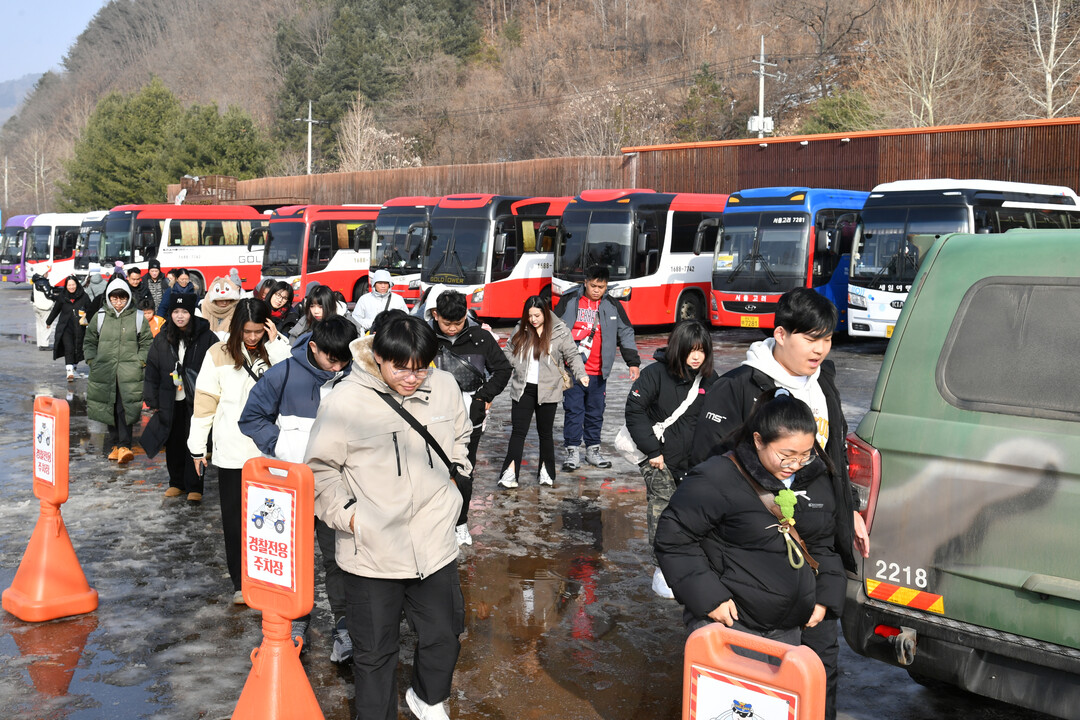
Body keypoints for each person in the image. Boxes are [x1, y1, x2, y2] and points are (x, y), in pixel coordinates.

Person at [688, 287, 870, 720]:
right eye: (811, 339)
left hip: (818, 554)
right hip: (757, 561)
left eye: (827, 339)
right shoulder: (737, 389)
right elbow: (703, 478)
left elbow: (834, 457)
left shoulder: (824, 384)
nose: (821, 349)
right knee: (759, 679)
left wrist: (850, 511)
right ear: (781, 334)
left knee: (820, 668)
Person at [306, 314, 471, 720]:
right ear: (378, 356)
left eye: (421, 368)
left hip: (433, 542)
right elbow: (319, 470)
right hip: (372, 551)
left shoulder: (445, 387)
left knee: (443, 635)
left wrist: (458, 471)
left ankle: (427, 697)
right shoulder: (345, 401)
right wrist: (351, 517)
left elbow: (462, 435)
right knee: (375, 652)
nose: (412, 378)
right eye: (401, 367)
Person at [655, 392, 847, 666]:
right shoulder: (717, 477)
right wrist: (710, 600)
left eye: (805, 455)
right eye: (786, 455)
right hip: (733, 625)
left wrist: (824, 598)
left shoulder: (814, 477)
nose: (795, 465)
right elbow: (674, 539)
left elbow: (822, 544)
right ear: (758, 440)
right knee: (734, 708)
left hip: (789, 631)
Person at [239, 315, 358, 661]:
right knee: (293, 556)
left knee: (338, 558)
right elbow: (251, 418)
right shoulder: (283, 374)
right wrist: (282, 446)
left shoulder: (356, 378)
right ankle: (294, 619)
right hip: (290, 487)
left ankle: (344, 625)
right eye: (331, 359)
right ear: (314, 347)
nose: (338, 367)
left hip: (337, 487)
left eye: (344, 360)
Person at [188, 298, 290, 603]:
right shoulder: (217, 354)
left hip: (270, 451)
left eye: (258, 330)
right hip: (232, 450)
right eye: (247, 331)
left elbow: (288, 385)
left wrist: (276, 345)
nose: (252, 337)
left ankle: (268, 578)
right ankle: (241, 584)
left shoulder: (277, 351)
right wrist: (197, 447)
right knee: (234, 522)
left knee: (270, 520)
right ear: (236, 328)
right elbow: (205, 403)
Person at [624, 320, 717, 597]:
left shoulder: (711, 380)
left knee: (695, 514)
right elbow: (634, 410)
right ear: (680, 349)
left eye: (702, 350)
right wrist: (653, 451)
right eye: (691, 350)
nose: (697, 356)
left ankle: (695, 563)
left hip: (695, 463)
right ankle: (662, 567)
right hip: (659, 461)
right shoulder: (655, 374)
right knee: (663, 511)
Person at [427, 289, 512, 544]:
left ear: (466, 315)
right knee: (431, 468)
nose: (452, 329)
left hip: (469, 417)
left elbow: (503, 369)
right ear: (435, 314)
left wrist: (483, 397)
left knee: (464, 469)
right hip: (431, 415)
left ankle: (461, 521)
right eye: (446, 323)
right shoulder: (424, 337)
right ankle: (435, 520)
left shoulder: (481, 337)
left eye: (458, 322)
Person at [553, 264, 640, 471]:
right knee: (574, 411)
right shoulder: (570, 300)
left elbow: (626, 332)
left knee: (595, 412)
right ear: (585, 282)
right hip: (573, 370)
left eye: (601, 287)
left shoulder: (612, 305)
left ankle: (593, 450)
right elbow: (553, 328)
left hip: (599, 372)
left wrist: (633, 362)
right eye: (593, 285)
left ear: (606, 286)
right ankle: (572, 451)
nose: (596, 290)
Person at [499, 296, 588, 489]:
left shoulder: (559, 331)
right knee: (518, 432)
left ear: (545, 313)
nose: (533, 319)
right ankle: (509, 474)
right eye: (529, 315)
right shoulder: (521, 329)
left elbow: (572, 354)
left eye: (537, 315)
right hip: (523, 388)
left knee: (545, 433)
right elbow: (507, 351)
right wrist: (515, 363)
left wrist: (581, 374)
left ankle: (546, 472)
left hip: (548, 389)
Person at [141, 293, 216, 501]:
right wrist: (153, 399)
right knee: (173, 442)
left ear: (191, 313)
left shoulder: (207, 337)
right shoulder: (162, 337)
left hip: (197, 400)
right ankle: (176, 482)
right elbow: (152, 370)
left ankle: (195, 486)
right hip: (170, 399)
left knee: (195, 441)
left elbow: (218, 364)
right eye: (176, 312)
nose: (180, 316)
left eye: (184, 312)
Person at [84, 278, 153, 464]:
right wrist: (92, 360)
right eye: (114, 298)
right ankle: (115, 444)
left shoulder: (137, 317)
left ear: (128, 298)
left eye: (122, 298)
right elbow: (89, 341)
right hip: (104, 371)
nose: (118, 302)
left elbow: (147, 342)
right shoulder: (100, 317)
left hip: (129, 372)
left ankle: (125, 445)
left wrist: (140, 361)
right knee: (109, 408)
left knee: (125, 409)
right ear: (109, 298)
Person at [46, 275, 92, 381]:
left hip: (80, 328)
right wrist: (49, 321)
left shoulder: (83, 296)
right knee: (69, 348)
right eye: (69, 285)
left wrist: (89, 319)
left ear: (77, 284)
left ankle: (74, 368)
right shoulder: (62, 297)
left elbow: (90, 310)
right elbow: (55, 310)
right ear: (66, 286)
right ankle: (69, 371)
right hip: (65, 327)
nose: (71, 287)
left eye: (73, 284)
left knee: (78, 348)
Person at [352, 269, 408, 333]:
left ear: (389, 284)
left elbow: (405, 318)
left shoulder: (398, 299)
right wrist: (372, 326)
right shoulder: (364, 299)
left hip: (392, 336)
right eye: (380, 283)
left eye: (386, 283)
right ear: (374, 284)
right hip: (369, 336)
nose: (383, 286)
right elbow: (356, 319)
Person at [197, 275, 241, 340]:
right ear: (214, 300)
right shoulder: (201, 310)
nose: (224, 303)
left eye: (227, 300)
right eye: (220, 300)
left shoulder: (237, 311)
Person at [30, 271, 56, 351]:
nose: (48, 274)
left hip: (36, 306)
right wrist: (57, 298)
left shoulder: (35, 281)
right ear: (43, 273)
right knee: (47, 324)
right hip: (44, 307)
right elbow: (48, 294)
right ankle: (44, 345)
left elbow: (32, 297)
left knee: (39, 325)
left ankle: (40, 343)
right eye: (47, 272)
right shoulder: (43, 282)